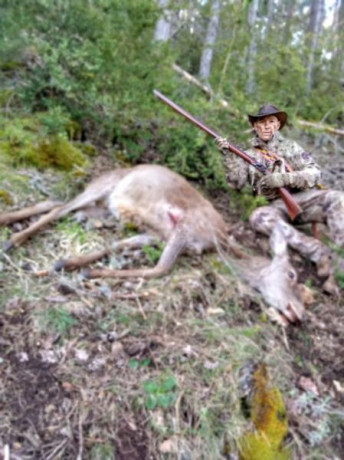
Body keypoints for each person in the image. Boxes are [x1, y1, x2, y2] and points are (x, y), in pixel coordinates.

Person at [215, 104, 344, 293]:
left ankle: (339, 270)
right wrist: (227, 155)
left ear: (278, 125)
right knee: (259, 218)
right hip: (275, 206)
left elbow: (314, 173)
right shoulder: (248, 154)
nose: (267, 126)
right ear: (255, 126)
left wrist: (284, 179)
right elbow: (235, 182)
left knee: (338, 199)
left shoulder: (290, 148)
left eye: (271, 122)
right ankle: (318, 252)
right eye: (262, 122)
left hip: (303, 200)